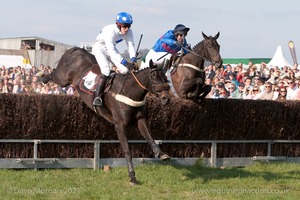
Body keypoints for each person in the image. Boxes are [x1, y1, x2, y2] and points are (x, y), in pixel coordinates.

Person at [92, 12, 137, 106]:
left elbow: (130, 45)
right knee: (105, 70)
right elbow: (112, 51)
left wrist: (133, 59)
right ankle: (97, 97)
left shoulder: (129, 31)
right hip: (99, 48)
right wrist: (125, 62)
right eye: (125, 26)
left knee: (125, 70)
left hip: (110, 49)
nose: (127, 29)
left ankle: (118, 91)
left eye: (129, 26)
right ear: (118, 25)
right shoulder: (110, 31)